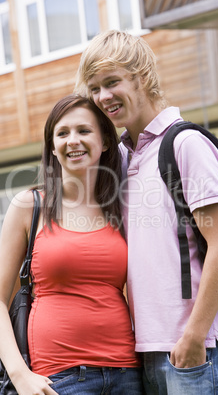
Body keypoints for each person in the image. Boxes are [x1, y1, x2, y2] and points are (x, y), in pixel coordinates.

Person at [75, 30, 218, 394]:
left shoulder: (185, 144)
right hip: (145, 350)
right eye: (94, 88)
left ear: (142, 76)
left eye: (112, 82)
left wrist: (194, 337)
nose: (103, 97)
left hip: (197, 350)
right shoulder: (121, 157)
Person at [0, 94, 144, 395]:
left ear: (105, 141)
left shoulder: (121, 209)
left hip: (127, 373)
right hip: (57, 379)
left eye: (83, 130)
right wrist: (19, 374)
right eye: (62, 133)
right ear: (52, 146)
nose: (73, 140)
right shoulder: (30, 205)